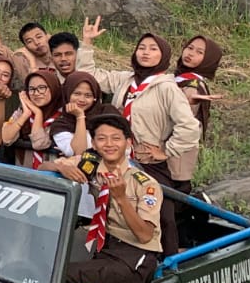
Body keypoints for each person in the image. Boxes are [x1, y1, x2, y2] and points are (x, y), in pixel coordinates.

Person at [80, 27, 203, 198]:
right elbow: (90, 77)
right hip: (115, 156)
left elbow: (190, 127)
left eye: (153, 49)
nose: (146, 53)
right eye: (141, 48)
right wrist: (87, 43)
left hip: (148, 162)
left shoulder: (167, 87)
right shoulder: (126, 80)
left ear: (163, 55)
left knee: (156, 210)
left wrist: (166, 151)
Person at [63, 113, 163, 283]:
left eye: (116, 138)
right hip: (106, 246)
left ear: (128, 143)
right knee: (50, 268)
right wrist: (60, 167)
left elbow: (145, 235)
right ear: (93, 143)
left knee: (63, 276)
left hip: (135, 255)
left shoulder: (145, 184)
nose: (109, 144)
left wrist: (122, 199)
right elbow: (42, 168)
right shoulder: (90, 165)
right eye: (102, 139)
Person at [0, 70, 62, 169]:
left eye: (42, 88)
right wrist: (26, 115)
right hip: (24, 175)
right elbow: (6, 138)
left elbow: (40, 144)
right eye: (31, 89)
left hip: (53, 176)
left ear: (53, 88)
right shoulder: (23, 111)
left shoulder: (63, 115)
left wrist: (38, 114)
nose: (36, 93)